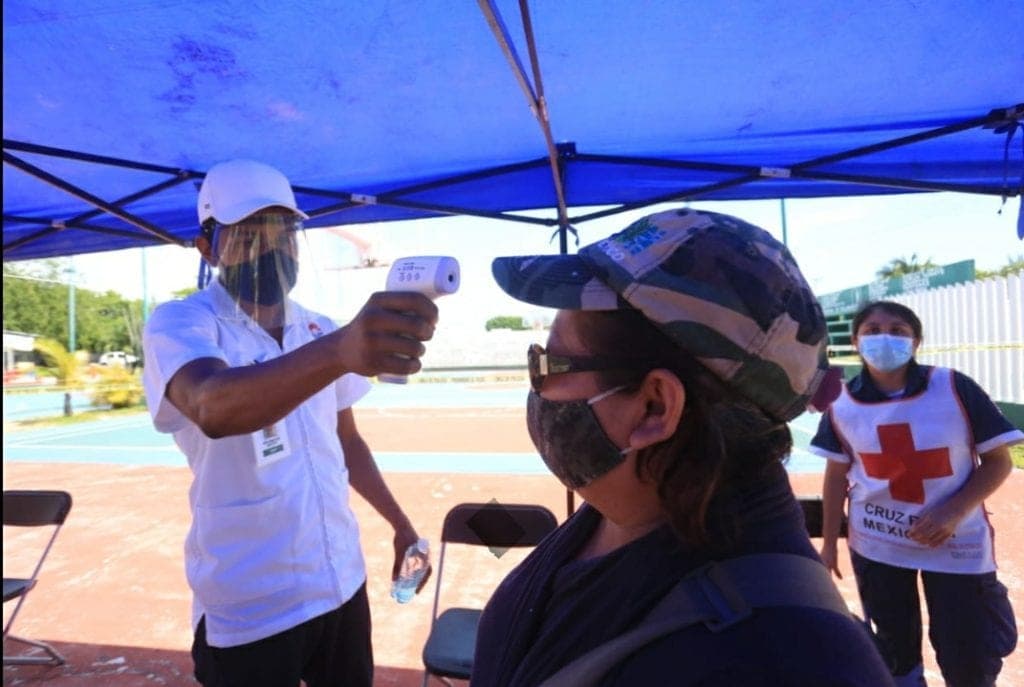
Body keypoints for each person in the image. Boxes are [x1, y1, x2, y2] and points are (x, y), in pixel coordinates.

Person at [472, 208, 895, 686]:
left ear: (655, 407)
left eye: (547, 364)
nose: (537, 387)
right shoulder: (625, 507)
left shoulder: (793, 663)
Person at [142, 159, 437, 687]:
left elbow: (346, 444)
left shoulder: (317, 326)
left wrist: (401, 523)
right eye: (247, 235)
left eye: (284, 232)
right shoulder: (184, 323)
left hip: (339, 581)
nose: (270, 248)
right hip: (252, 606)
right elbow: (212, 405)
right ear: (207, 247)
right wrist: (339, 350)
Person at [810, 300, 1021, 687]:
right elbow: (836, 476)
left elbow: (999, 462)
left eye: (898, 330)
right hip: (878, 544)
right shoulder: (841, 402)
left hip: (956, 544)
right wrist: (828, 544)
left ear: (916, 341)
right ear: (856, 341)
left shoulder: (954, 387)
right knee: (894, 654)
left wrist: (952, 511)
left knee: (968, 653)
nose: (884, 337)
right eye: (872, 330)